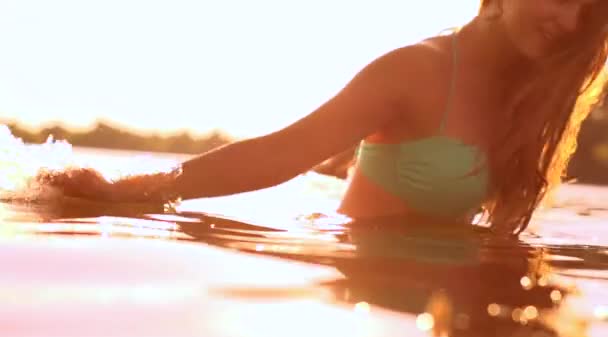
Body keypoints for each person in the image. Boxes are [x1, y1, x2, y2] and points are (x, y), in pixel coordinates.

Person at [40, 0, 608, 236]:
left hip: (450, 305)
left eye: (586, 14)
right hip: (376, 296)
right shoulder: (415, 70)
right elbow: (281, 154)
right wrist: (129, 192)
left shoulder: (532, 100)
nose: (567, 19)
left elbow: (502, 231)